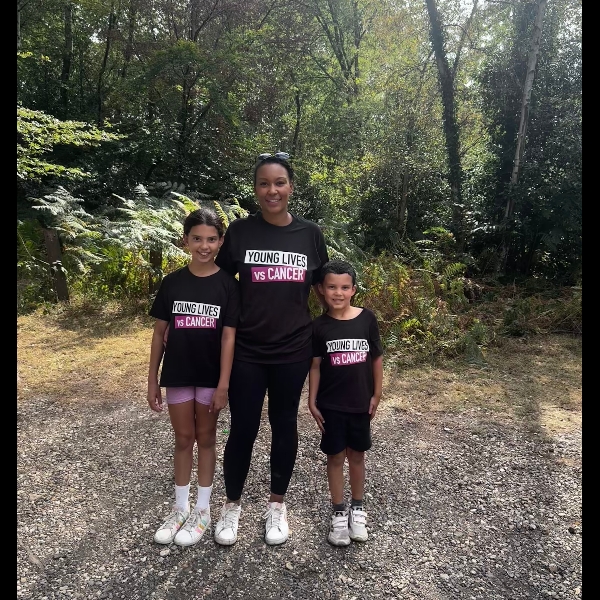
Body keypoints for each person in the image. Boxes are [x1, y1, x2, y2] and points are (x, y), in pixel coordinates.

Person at [211, 151, 330, 546]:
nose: (272, 190)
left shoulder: (310, 234)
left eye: (279, 182)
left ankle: (277, 506)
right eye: (264, 183)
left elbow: (325, 288)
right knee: (242, 427)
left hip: (293, 349)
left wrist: (344, 329)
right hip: (246, 349)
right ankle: (231, 506)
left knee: (284, 424)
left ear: (291, 187)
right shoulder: (240, 232)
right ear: (256, 189)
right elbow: (219, 283)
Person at [147, 207, 240, 547]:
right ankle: (180, 508)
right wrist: (152, 379)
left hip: (211, 377)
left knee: (207, 438)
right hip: (179, 374)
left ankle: (203, 510)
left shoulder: (228, 286)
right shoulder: (172, 282)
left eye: (211, 239)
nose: (204, 246)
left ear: (221, 241)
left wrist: (224, 383)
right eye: (197, 238)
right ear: (185, 240)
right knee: (183, 438)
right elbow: (159, 333)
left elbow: (229, 337)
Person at [307, 259, 383, 547]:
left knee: (357, 455)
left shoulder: (367, 319)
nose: (338, 293)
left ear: (353, 290)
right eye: (331, 287)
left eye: (344, 287)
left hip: (360, 403)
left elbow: (376, 358)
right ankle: (339, 512)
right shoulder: (318, 327)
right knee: (336, 457)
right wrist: (312, 400)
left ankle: (357, 509)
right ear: (321, 289)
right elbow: (315, 366)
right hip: (331, 405)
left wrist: (377, 394)